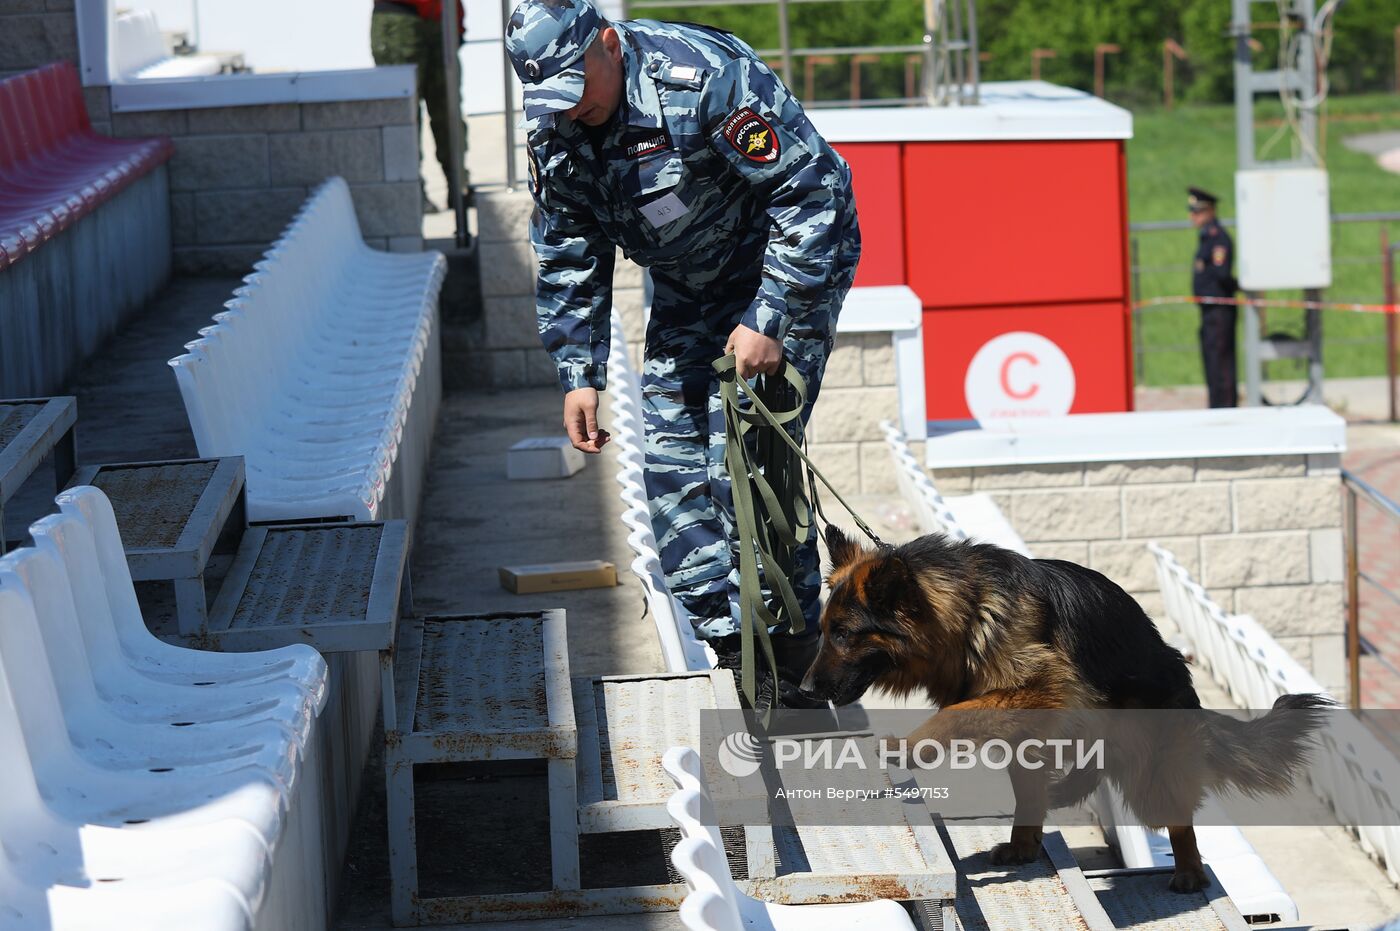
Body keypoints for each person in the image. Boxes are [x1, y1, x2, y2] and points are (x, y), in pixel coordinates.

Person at [505, 0, 861, 708]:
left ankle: (798, 650)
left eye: (578, 85)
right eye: (553, 97)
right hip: (690, 283)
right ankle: (738, 654)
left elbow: (814, 191)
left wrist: (771, 316)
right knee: (672, 460)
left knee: (750, 456)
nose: (571, 109)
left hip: (784, 268)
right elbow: (568, 253)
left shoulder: (702, 81)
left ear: (607, 44)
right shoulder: (556, 128)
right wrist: (579, 373)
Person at [370, 0, 469, 212]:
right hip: (399, 17)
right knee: (403, 115)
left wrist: (457, 21)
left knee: (449, 110)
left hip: (442, 16)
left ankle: (459, 186)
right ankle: (409, 194)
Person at [1189, 186, 1238, 408]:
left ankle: (1225, 408)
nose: (1193, 216)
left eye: (1197, 211)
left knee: (1222, 365)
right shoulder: (1205, 238)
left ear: (1210, 211)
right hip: (1208, 311)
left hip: (1219, 310)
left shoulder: (1218, 239)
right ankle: (1216, 406)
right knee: (1211, 362)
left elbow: (1222, 274)